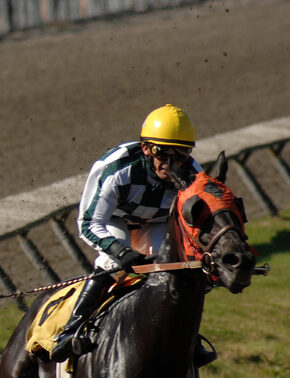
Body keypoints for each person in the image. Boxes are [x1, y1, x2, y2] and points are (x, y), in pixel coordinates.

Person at [49, 103, 206, 362]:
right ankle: (71, 330)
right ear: (146, 148)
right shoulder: (117, 168)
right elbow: (89, 223)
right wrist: (120, 251)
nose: (170, 164)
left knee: (176, 266)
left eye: (180, 155)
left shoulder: (194, 175)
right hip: (115, 219)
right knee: (112, 263)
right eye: (162, 153)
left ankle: (189, 337)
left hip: (157, 222)